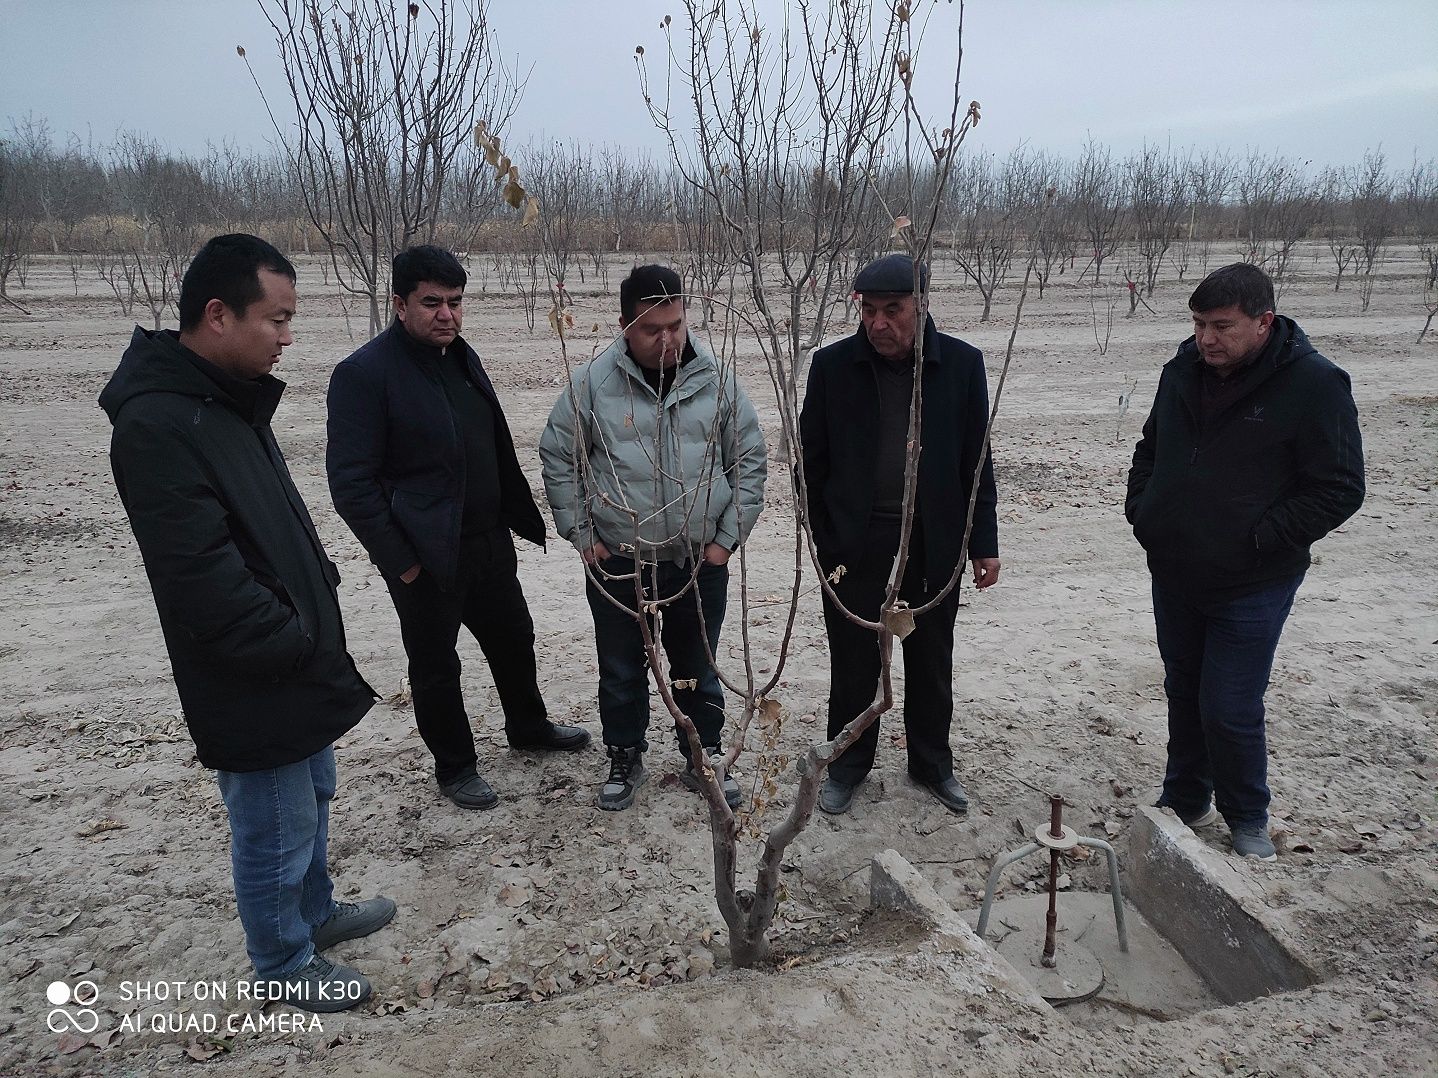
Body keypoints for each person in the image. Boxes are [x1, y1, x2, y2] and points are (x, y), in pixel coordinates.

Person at [99, 234, 394, 1013]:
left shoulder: (226, 399)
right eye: (278, 317)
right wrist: (291, 637)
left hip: (295, 654)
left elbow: (270, 528)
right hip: (251, 670)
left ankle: (314, 914)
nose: (288, 336)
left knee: (316, 796)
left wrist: (314, 606)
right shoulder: (159, 424)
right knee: (273, 821)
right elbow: (201, 580)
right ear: (219, 315)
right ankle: (282, 962)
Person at [326, 245, 589, 811]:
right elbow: (351, 484)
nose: (447, 314)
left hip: (487, 542)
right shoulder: (363, 375)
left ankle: (528, 726)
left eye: (456, 302)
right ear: (399, 304)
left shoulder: (462, 357)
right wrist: (403, 560)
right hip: (425, 557)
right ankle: (455, 767)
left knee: (514, 641)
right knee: (436, 666)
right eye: (432, 303)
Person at [1126, 262, 1364, 861]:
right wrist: (1144, 509)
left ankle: (1248, 816)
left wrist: (1259, 538)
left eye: (1222, 326)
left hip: (1253, 580)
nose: (1207, 338)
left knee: (1229, 705)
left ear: (1265, 322)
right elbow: (1151, 448)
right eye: (1200, 324)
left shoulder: (1315, 385)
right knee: (1184, 688)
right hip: (1176, 569)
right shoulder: (1182, 371)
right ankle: (1184, 799)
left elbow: (1338, 488)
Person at [539, 264, 767, 811]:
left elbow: (750, 462)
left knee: (698, 664)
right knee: (621, 666)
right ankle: (625, 753)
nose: (667, 339)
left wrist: (724, 543)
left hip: (697, 561)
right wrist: (584, 535)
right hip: (619, 560)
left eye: (676, 324)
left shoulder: (718, 380)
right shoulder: (591, 384)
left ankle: (703, 753)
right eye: (651, 328)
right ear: (624, 325)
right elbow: (560, 459)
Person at [800, 254, 1000, 817]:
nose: (878, 324)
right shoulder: (832, 367)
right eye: (869, 310)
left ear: (922, 306)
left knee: (932, 661)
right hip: (856, 547)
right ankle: (848, 764)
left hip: (934, 545)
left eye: (894, 310)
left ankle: (932, 764)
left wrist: (982, 541)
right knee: (854, 662)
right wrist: (827, 536)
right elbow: (809, 461)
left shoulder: (961, 366)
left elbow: (976, 462)